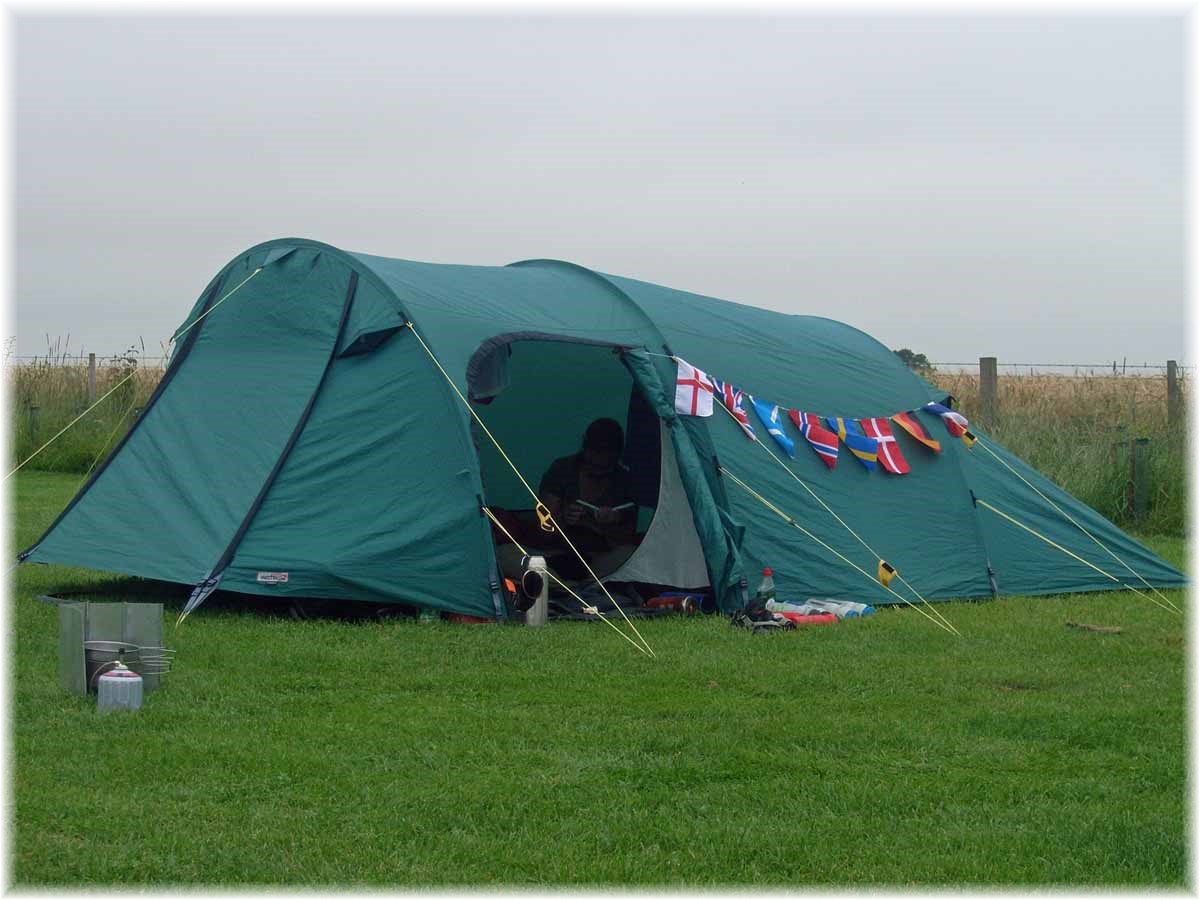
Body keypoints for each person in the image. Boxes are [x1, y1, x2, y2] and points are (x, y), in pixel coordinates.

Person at [538, 418, 638, 576]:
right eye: (593, 463)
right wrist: (564, 517)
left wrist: (612, 521)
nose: (597, 470)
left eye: (604, 468)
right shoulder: (562, 471)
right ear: (586, 449)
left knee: (630, 555)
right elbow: (545, 530)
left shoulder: (623, 481)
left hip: (599, 561)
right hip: (557, 554)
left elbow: (626, 541)